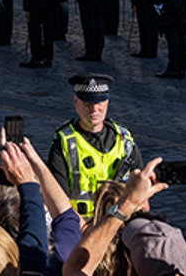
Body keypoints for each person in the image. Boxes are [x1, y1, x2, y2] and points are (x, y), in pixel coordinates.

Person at [46, 75, 140, 218]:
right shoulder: (64, 143)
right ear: (76, 102)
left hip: (120, 223)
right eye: (87, 103)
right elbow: (58, 196)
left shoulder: (124, 140)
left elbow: (141, 189)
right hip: (80, 224)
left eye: (100, 102)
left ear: (107, 102)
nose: (94, 109)